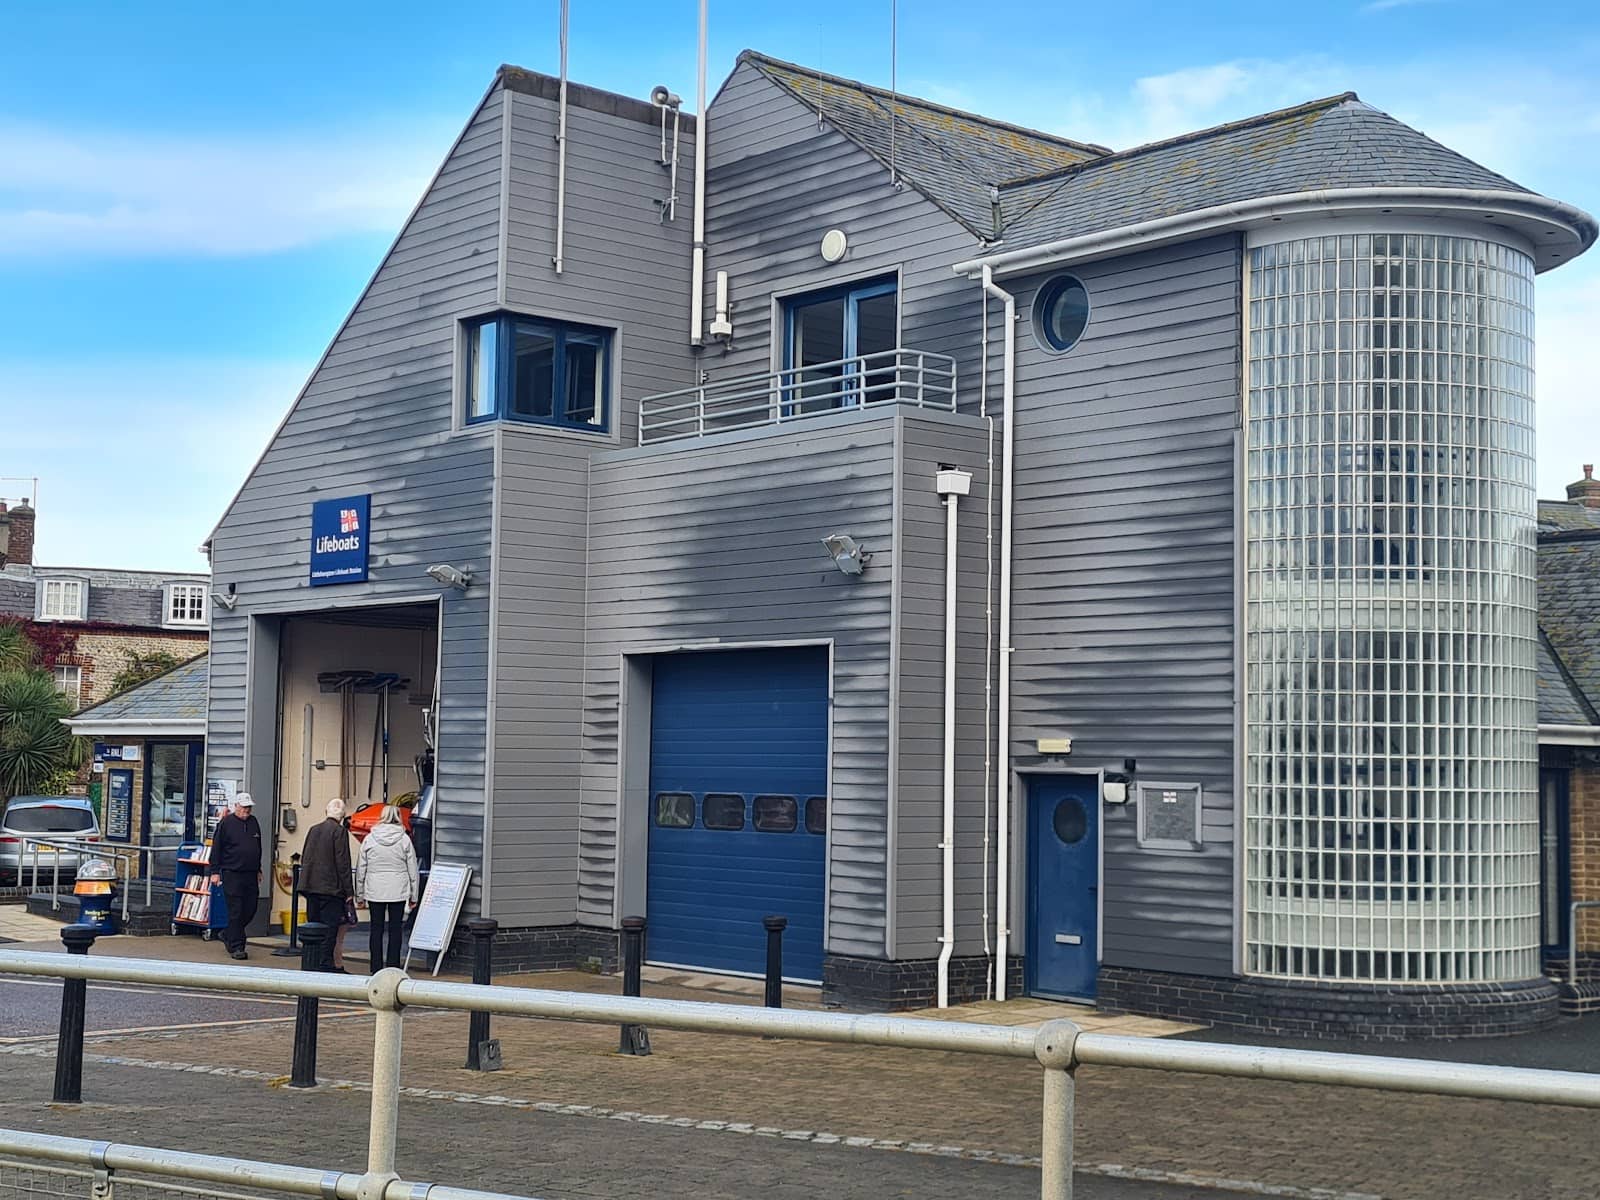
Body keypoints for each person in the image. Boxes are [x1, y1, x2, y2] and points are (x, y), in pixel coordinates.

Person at [355, 805, 419, 970]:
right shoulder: (404, 839)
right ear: (398, 817)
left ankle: (375, 966)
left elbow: (361, 869)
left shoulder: (369, 839)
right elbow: (413, 870)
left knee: (376, 929)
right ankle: (393, 967)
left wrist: (359, 896)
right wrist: (414, 895)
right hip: (398, 890)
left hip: (374, 890)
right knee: (395, 929)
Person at [299, 798, 353, 971]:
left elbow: (305, 856)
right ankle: (325, 964)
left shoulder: (313, 830)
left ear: (326, 811)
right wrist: (349, 890)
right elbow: (342, 863)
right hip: (331, 889)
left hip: (310, 886)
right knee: (330, 929)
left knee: (314, 927)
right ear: (343, 815)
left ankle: (312, 962)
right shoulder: (339, 832)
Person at [209, 793, 263, 961]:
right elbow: (216, 848)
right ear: (236, 806)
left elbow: (257, 846)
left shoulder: (254, 822)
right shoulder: (226, 823)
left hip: (250, 873)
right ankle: (237, 946)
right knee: (236, 910)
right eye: (244, 807)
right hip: (232, 872)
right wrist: (215, 871)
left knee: (251, 908)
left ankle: (228, 933)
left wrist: (259, 868)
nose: (247, 810)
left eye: (249, 807)